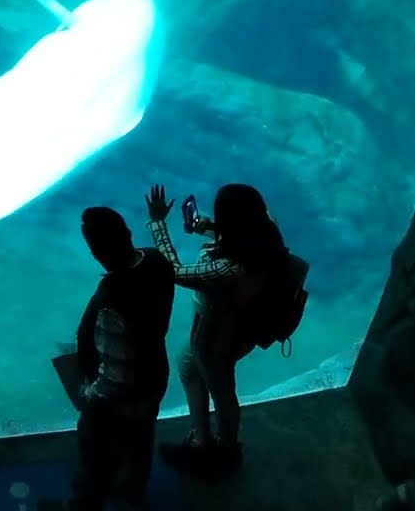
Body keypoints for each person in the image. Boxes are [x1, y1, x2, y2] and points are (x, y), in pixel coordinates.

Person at [145, 183, 291, 478]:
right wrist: (208, 227)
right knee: (188, 366)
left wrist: (158, 223)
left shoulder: (224, 268)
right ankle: (202, 439)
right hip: (240, 328)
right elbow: (240, 237)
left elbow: (172, 271)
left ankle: (226, 451)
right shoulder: (266, 232)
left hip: (217, 337)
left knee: (222, 390)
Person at [42, 207, 175, 511]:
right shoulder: (155, 261)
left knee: (95, 450)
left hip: (118, 393)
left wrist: (91, 394)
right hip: (155, 374)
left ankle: (83, 505)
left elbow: (119, 368)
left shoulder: (114, 294)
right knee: (141, 438)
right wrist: (157, 223)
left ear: (94, 251)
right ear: (128, 234)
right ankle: (132, 491)